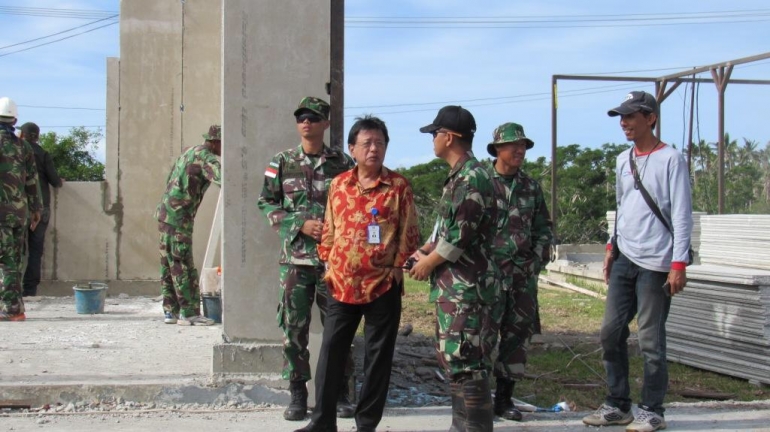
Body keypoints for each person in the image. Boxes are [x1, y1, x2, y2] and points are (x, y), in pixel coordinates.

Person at [295, 115, 420, 432]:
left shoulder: (398, 187)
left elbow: (409, 232)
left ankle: (366, 424)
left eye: (380, 143)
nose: (374, 149)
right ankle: (322, 422)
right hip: (341, 285)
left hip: (382, 286)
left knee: (378, 358)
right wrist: (328, 261)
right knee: (331, 354)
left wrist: (396, 268)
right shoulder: (339, 185)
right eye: (367, 143)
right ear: (352, 149)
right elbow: (329, 230)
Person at [582, 91, 693, 432]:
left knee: (650, 340)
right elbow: (622, 207)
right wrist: (611, 247)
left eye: (631, 116)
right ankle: (617, 404)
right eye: (621, 117)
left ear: (651, 118)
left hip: (657, 262)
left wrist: (679, 263)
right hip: (625, 257)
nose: (624, 123)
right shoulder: (621, 160)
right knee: (610, 333)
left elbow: (682, 212)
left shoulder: (671, 159)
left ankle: (652, 409)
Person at [257, 97, 356, 422]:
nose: (306, 123)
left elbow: (355, 205)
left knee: (338, 330)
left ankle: (339, 392)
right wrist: (298, 222)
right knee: (294, 330)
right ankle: (298, 395)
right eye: (301, 117)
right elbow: (266, 203)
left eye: (313, 118)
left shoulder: (342, 163)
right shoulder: (282, 162)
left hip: (334, 263)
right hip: (295, 263)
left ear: (325, 123)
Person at [408, 105, 499, 432]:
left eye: (435, 133)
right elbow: (447, 231)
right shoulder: (459, 176)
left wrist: (428, 263)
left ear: (450, 137)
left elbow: (461, 234)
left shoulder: (471, 176)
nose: (432, 139)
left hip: (467, 287)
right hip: (455, 286)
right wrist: (423, 252)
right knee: (455, 358)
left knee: (468, 363)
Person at [485, 122, 553, 422]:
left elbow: (544, 229)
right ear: (498, 149)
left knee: (516, 340)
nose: (520, 150)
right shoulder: (480, 182)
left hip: (522, 278)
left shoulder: (530, 187)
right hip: (487, 277)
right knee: (482, 338)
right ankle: (475, 399)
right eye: (514, 145)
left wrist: (536, 261)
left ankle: (504, 399)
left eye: (523, 145)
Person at [154, 124, 222, 326]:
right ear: (216, 142)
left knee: (168, 263)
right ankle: (189, 312)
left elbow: (169, 179)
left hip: (165, 213)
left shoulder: (188, 152)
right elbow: (225, 179)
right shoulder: (207, 158)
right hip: (179, 217)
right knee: (182, 263)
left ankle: (170, 311)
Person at [0, 97, 42, 321]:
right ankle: (15, 306)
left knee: (5, 261)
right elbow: (32, 182)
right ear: (14, 119)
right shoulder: (24, 146)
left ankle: (12, 309)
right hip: (19, 213)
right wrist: (36, 210)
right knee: (14, 259)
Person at [19, 122, 63, 297]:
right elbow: (55, 181)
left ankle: (11, 290)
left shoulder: (14, 151)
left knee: (14, 250)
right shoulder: (43, 154)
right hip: (41, 207)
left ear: (24, 135)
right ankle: (30, 290)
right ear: (36, 136)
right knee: (35, 251)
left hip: (18, 208)